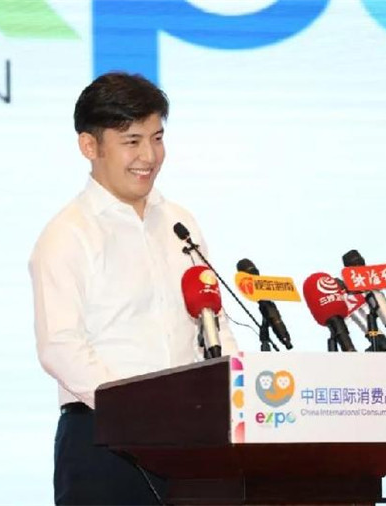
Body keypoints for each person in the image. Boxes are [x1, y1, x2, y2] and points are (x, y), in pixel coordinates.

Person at [29, 72, 239, 506]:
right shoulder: (68, 234)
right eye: (132, 141)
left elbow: (213, 321)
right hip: (103, 444)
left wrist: (235, 393)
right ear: (90, 146)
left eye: (157, 138)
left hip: (194, 440)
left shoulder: (180, 223)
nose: (149, 156)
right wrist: (138, 413)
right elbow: (60, 347)